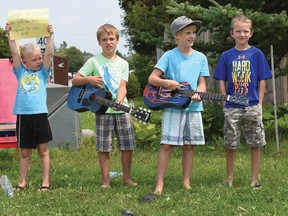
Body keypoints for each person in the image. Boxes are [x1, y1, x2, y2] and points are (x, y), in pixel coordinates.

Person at [148, 16, 210, 194]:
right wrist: (168, 84)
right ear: (177, 36)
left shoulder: (201, 57)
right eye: (188, 33)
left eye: (194, 33)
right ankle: (159, 184)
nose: (192, 36)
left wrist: (199, 92)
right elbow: (152, 78)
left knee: (189, 145)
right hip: (173, 106)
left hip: (193, 108)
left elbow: (202, 82)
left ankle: (186, 182)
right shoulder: (169, 56)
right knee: (167, 144)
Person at [72, 24, 137, 188]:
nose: (108, 42)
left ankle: (127, 178)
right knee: (104, 147)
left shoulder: (123, 63)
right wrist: (89, 79)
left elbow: (123, 85)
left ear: (117, 41)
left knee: (127, 146)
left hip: (121, 110)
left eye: (111, 39)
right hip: (102, 110)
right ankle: (105, 180)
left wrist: (120, 101)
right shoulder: (93, 61)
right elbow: (75, 80)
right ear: (99, 42)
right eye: (104, 39)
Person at [213, 15, 272, 189]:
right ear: (232, 33)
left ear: (251, 33)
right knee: (231, 143)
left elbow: (262, 80)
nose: (242, 34)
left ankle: (254, 178)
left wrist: (259, 102)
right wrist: (224, 102)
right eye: (238, 31)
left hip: (252, 105)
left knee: (255, 143)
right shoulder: (226, 55)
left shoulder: (257, 54)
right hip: (232, 106)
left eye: (245, 31)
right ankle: (229, 178)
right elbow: (221, 80)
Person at [5, 23, 54, 191]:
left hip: (39, 115)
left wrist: (50, 36)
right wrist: (10, 34)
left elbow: (48, 53)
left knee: (43, 151)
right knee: (25, 152)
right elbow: (14, 52)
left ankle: (46, 182)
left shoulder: (43, 72)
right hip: (23, 116)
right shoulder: (20, 71)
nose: (39, 61)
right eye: (34, 59)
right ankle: (22, 182)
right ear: (24, 61)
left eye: (39, 58)